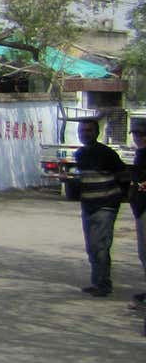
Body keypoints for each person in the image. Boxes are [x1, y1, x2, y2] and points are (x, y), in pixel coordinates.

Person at [72, 118, 127, 297]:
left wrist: (116, 197)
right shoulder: (80, 154)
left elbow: (123, 176)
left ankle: (103, 285)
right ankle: (97, 281)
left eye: (88, 130)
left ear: (96, 133)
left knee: (100, 246)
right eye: (81, 131)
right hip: (88, 206)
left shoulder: (106, 154)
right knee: (92, 247)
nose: (84, 134)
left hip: (105, 206)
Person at [130, 120, 146, 308]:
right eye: (135, 134)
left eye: (142, 135)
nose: (138, 138)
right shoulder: (140, 154)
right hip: (140, 208)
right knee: (143, 253)